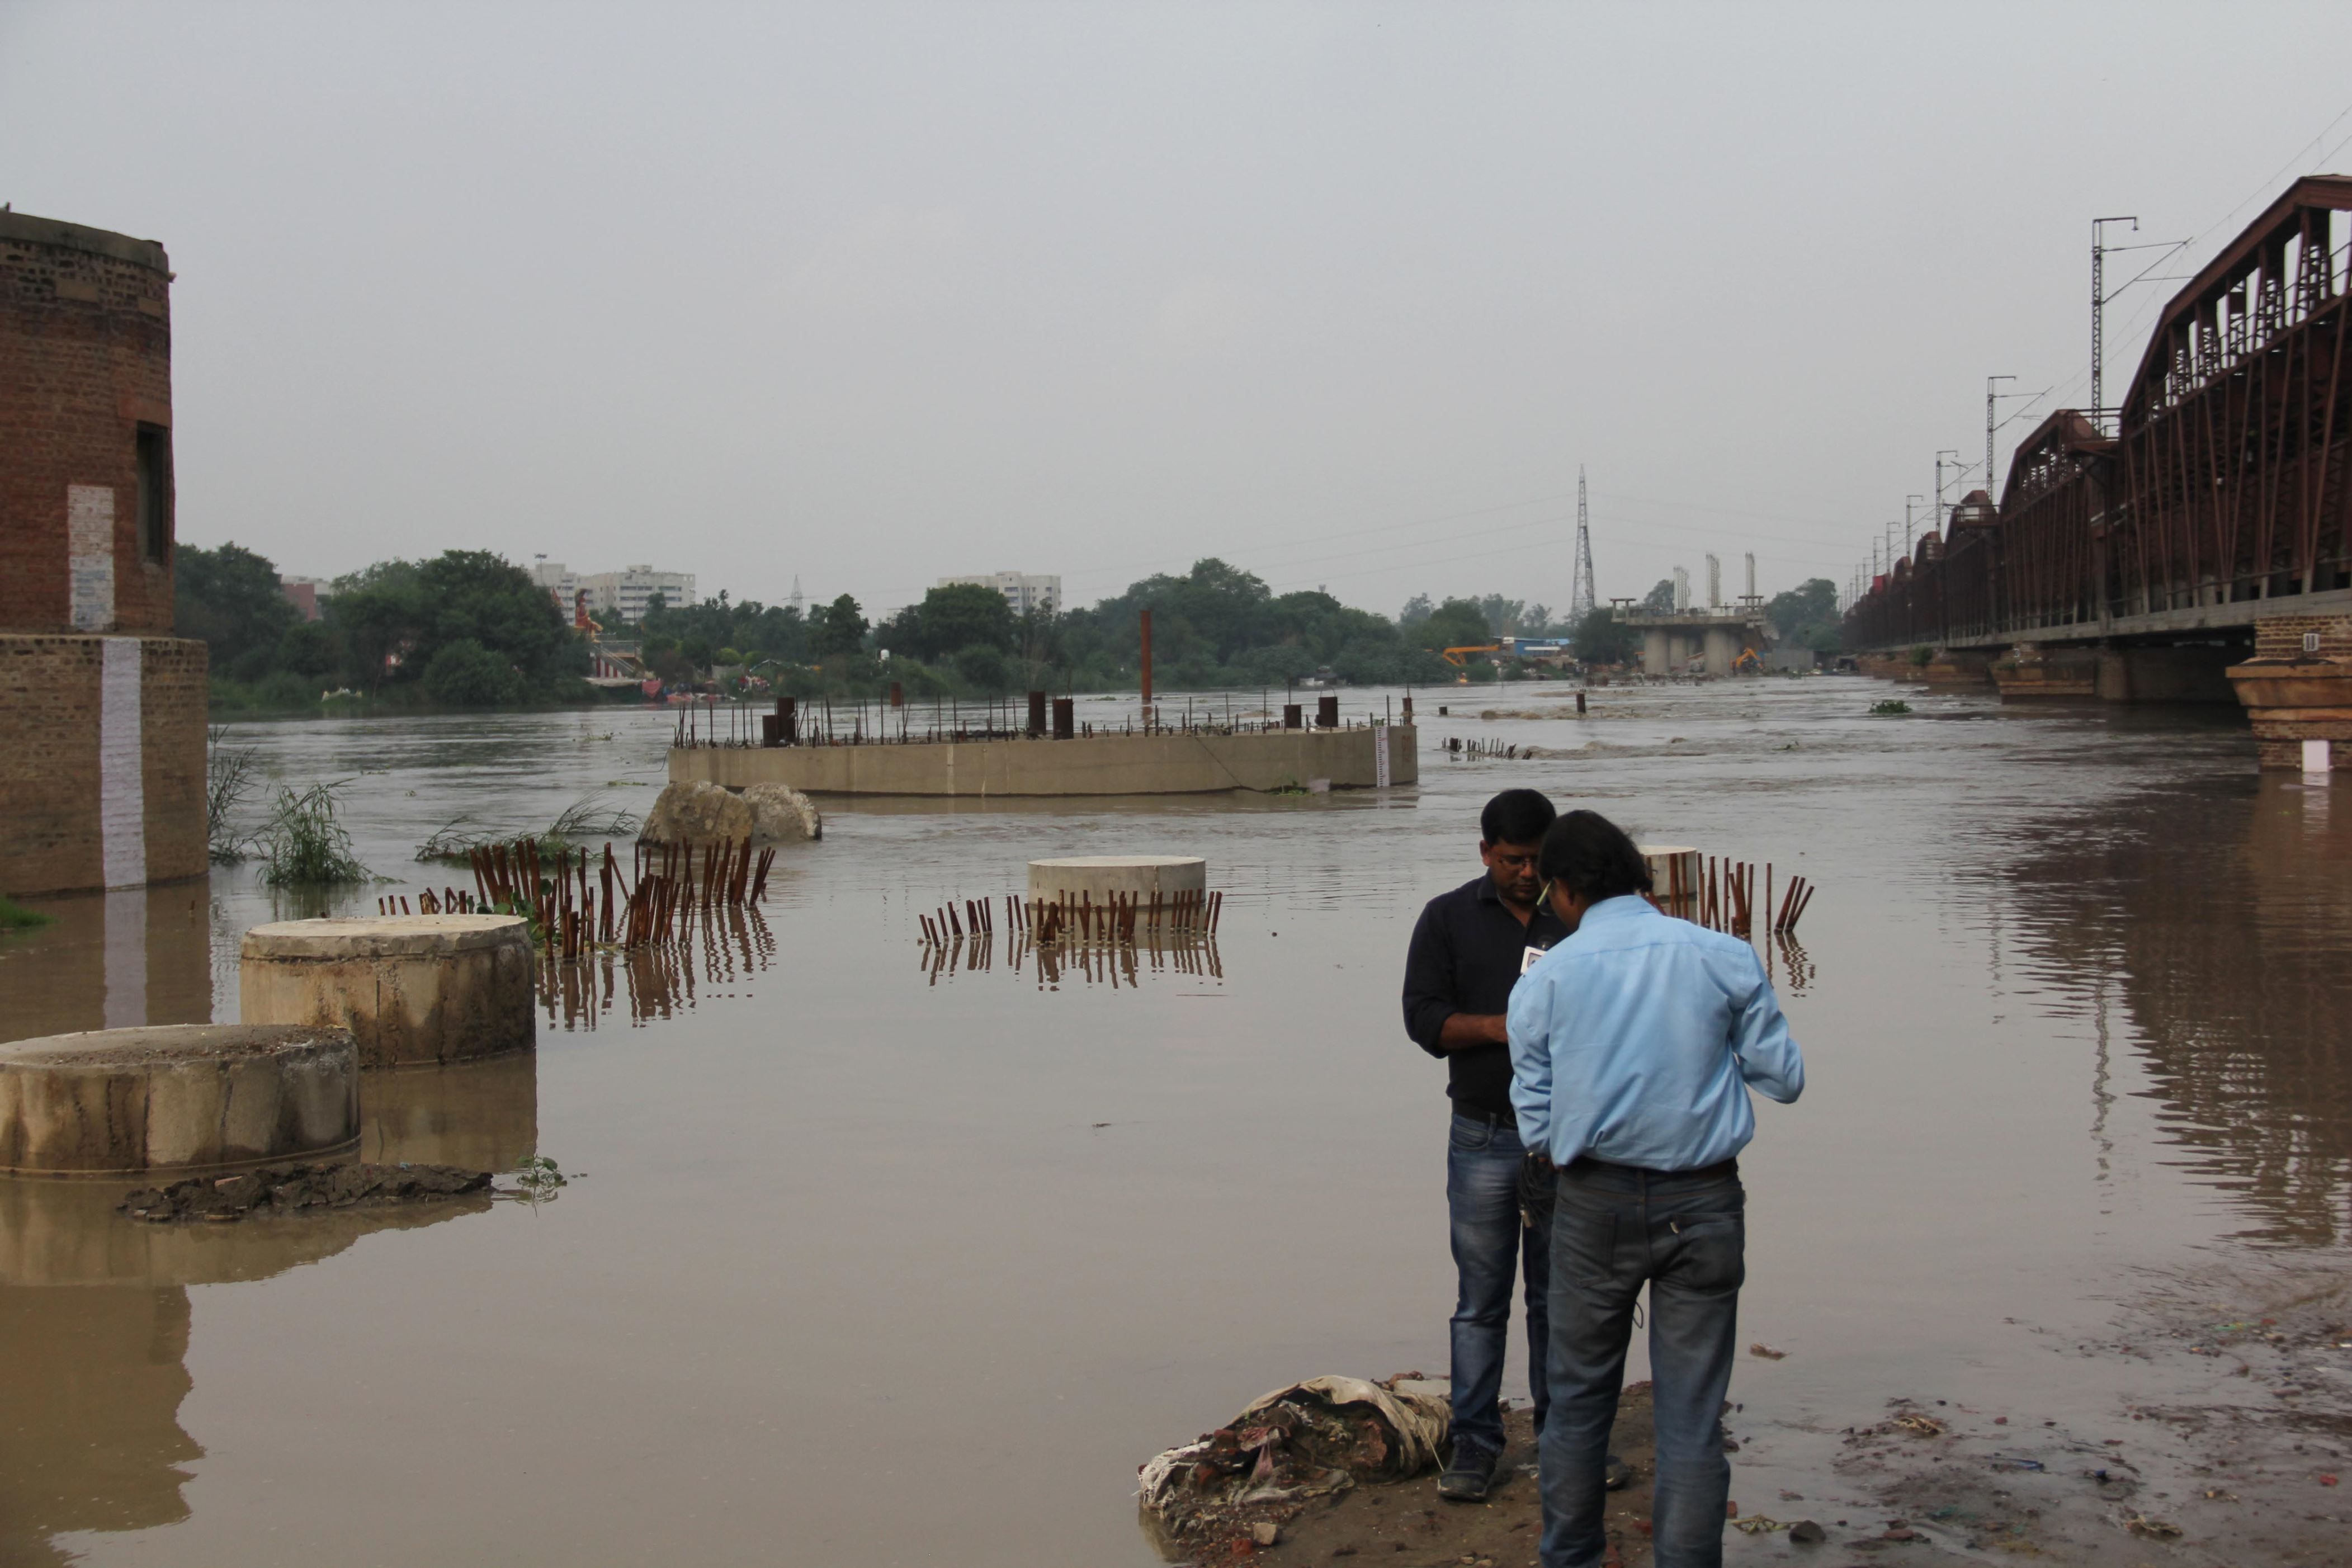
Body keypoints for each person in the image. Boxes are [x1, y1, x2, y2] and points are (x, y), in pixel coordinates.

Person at [1508, 811, 1805, 1568]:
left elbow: (1534, 1118)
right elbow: (1784, 1079)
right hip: (1703, 1205)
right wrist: (1699, 1073)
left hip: (1591, 1205)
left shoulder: (1548, 978)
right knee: (1691, 1419)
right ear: (1636, 877)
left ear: (1565, 890)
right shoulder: (1722, 956)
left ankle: (1569, 1557)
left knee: (1575, 1409)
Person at [1404, 789, 1628, 1503]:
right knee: (1480, 1300)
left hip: (1567, 1141)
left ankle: (1568, 1440)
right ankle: (1475, 1445)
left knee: (1559, 1298)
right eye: (1511, 861)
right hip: (1482, 1135)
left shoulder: (1579, 922)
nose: (1526, 874)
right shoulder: (1446, 918)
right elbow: (1424, 1020)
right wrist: (1506, 1027)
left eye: (1536, 861)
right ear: (1484, 853)